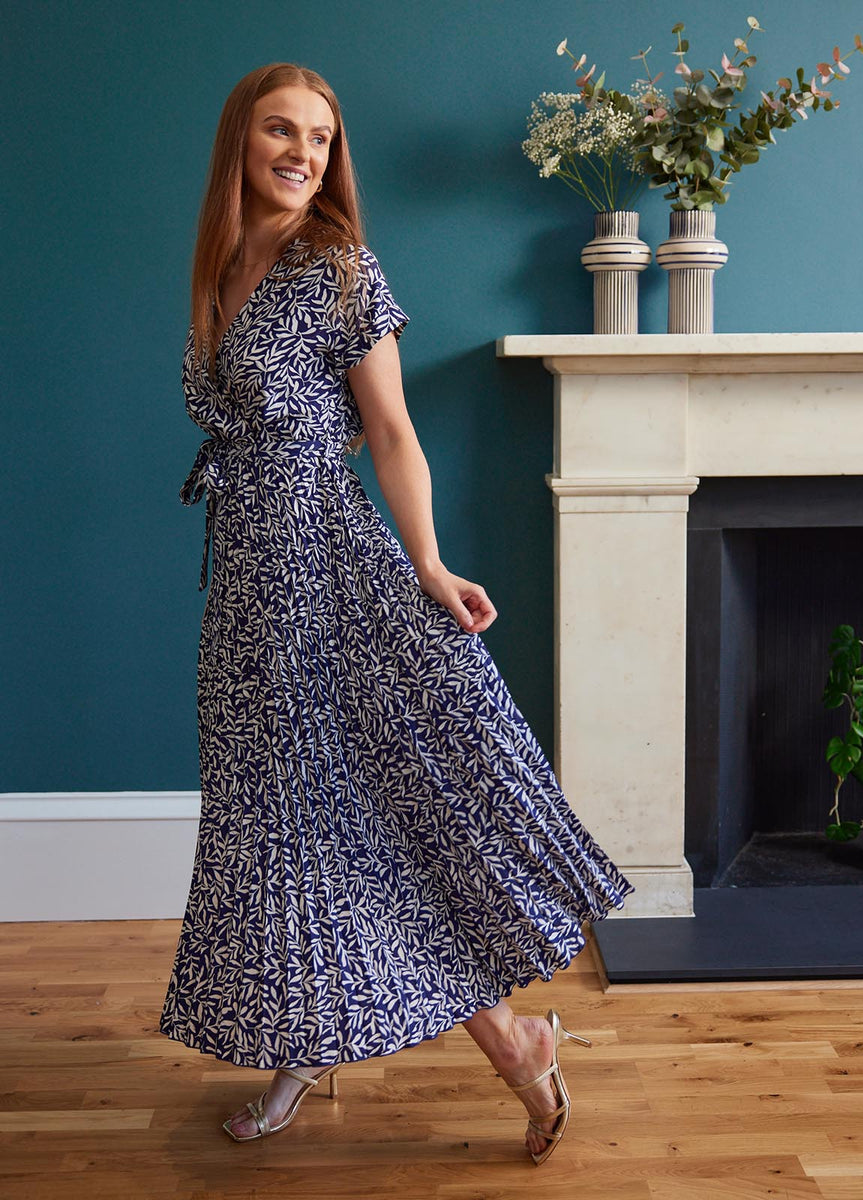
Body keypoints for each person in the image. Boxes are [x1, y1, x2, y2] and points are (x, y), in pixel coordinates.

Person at [157, 61, 635, 1167]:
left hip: (324, 572)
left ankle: (517, 1042)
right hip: (247, 588)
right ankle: (307, 1039)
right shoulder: (221, 266)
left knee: (356, 814)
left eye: (320, 139)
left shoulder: (339, 269)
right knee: (274, 822)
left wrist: (427, 561)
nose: (302, 154)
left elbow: (393, 433)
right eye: (281, 131)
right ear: (239, 141)